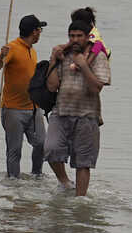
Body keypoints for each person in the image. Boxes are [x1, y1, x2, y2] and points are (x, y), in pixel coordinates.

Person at [43, 20, 112, 196]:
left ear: (87, 37)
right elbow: (52, 87)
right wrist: (53, 60)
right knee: (51, 149)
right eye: (71, 36)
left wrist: (83, 65)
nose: (74, 40)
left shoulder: (99, 56)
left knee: (83, 162)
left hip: (87, 114)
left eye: (79, 36)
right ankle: (65, 182)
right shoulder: (63, 55)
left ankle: (80, 199)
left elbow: (96, 88)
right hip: (61, 111)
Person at [0, 13, 48, 178]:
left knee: (42, 144)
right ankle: (13, 183)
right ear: (34, 32)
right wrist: (1, 55)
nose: (40, 33)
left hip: (34, 108)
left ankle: (37, 175)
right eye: (40, 29)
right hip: (13, 110)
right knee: (15, 151)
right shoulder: (12, 48)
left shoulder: (32, 50)